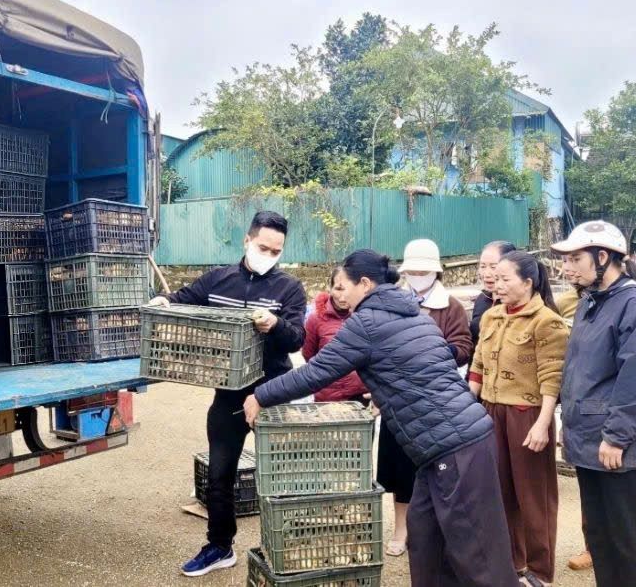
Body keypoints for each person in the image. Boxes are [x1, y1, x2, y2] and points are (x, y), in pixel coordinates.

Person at [242, 249, 520, 587]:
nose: (336, 293)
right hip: (440, 448)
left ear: (365, 283)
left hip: (456, 447)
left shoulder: (367, 322)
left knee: (478, 554)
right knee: (425, 537)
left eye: (342, 285)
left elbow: (317, 371)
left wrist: (261, 395)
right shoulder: (412, 312)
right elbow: (429, 367)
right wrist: (388, 390)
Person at [149, 211, 307, 577]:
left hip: (272, 392)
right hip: (229, 393)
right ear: (247, 241)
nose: (268, 254)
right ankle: (220, 546)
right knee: (220, 473)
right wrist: (164, 302)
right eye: (263, 246)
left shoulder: (289, 289)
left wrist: (275, 324)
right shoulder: (219, 280)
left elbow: (298, 337)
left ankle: (290, 547)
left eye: (276, 250)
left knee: (284, 476)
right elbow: (184, 299)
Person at [553, 221, 636, 587]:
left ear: (603, 257)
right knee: (601, 536)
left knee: (625, 540)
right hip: (591, 439)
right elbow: (581, 373)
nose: (566, 267)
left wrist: (617, 437)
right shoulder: (593, 301)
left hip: (616, 445)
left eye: (575, 258)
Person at [468, 251, 568, 587]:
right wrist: (469, 405)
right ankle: (514, 562)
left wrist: (544, 423)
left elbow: (552, 377)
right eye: (496, 278)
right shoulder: (492, 317)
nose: (497, 284)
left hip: (527, 415)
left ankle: (541, 570)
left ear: (528, 282)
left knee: (534, 495)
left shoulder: (547, 322)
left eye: (505, 278)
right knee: (500, 491)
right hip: (491, 412)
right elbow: (478, 366)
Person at [379, 238, 473, 556]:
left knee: (437, 469)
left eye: (424, 270)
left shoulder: (451, 307)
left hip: (435, 403)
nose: (418, 275)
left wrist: (431, 352)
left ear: (436, 272)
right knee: (400, 469)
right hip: (398, 401)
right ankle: (401, 528)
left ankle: (434, 533)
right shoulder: (394, 301)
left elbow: (463, 347)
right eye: (413, 270)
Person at [302, 266, 368, 402]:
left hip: (360, 395)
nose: (343, 296)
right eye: (338, 289)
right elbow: (309, 356)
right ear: (330, 288)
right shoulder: (316, 319)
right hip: (327, 396)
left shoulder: (365, 316)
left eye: (348, 289)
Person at [469, 240, 518, 359]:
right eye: (483, 266)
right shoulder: (481, 300)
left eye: (493, 267)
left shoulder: (518, 302)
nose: (486, 274)